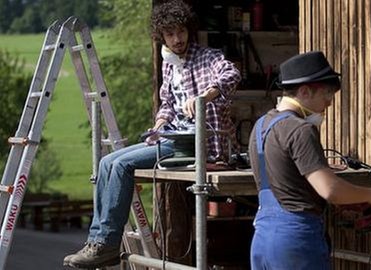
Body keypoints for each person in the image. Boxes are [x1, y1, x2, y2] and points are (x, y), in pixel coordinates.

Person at [63, 0, 241, 268]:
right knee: (106, 162)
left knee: (122, 164)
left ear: (188, 31)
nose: (177, 39)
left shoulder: (208, 57)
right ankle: (97, 242)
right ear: (162, 36)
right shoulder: (168, 64)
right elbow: (167, 104)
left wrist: (205, 96)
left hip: (200, 143)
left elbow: (232, 73)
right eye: (170, 34)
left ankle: (107, 243)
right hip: (172, 136)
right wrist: (159, 124)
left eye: (181, 32)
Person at [248, 51, 371, 270]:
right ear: (305, 91)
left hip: (263, 239)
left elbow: (288, 184)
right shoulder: (301, 129)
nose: (329, 103)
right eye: (327, 95)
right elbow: (330, 190)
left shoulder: (260, 127)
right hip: (296, 240)